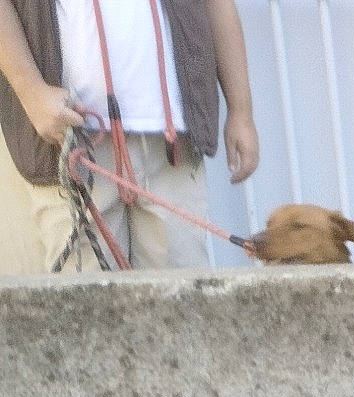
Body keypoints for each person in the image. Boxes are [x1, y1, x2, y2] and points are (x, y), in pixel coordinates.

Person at [0, 0, 258, 272]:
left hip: (172, 146)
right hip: (71, 144)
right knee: (87, 303)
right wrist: (32, 94)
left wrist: (241, 112)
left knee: (180, 302)